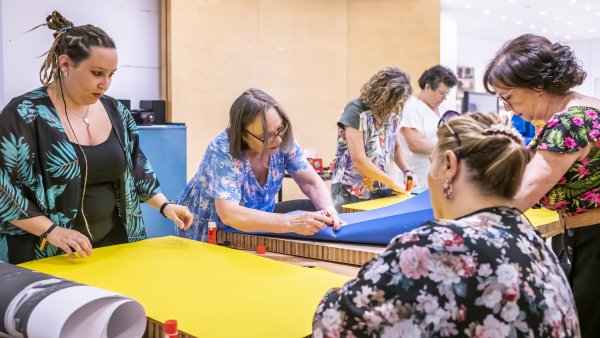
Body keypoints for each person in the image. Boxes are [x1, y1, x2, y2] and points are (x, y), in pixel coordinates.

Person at [313, 112, 580, 337]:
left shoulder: (436, 246)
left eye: (432, 164)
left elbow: (336, 323)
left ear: (449, 165)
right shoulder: (532, 240)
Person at [0, 11, 193, 264]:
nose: (105, 84)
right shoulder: (25, 114)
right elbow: (5, 190)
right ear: (65, 64)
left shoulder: (116, 111)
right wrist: (53, 231)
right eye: (97, 73)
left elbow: (136, 167)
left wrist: (166, 206)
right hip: (48, 253)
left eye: (111, 74)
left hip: (115, 246)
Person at [483, 33, 599, 337]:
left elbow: (519, 198)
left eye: (508, 96)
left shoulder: (570, 122)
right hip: (580, 236)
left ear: (536, 85)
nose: (508, 108)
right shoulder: (585, 108)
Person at [176, 88, 342, 242]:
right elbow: (229, 214)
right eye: (267, 136)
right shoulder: (222, 151)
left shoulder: (282, 141)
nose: (278, 140)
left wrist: (330, 211)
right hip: (208, 233)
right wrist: (291, 222)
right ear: (243, 135)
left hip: (254, 230)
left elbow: (311, 183)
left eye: (280, 129)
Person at [331, 67, 413, 211]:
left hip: (381, 186)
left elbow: (395, 145)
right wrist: (393, 183)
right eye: (395, 100)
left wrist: (407, 171)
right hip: (351, 189)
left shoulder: (392, 112)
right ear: (382, 94)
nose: (397, 106)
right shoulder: (356, 110)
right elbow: (358, 159)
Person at [400, 65, 458, 189]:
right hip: (416, 181)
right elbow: (415, 145)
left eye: (446, 94)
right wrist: (451, 147)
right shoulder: (412, 107)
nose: (444, 98)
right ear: (427, 87)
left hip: (439, 180)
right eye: (441, 93)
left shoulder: (444, 109)